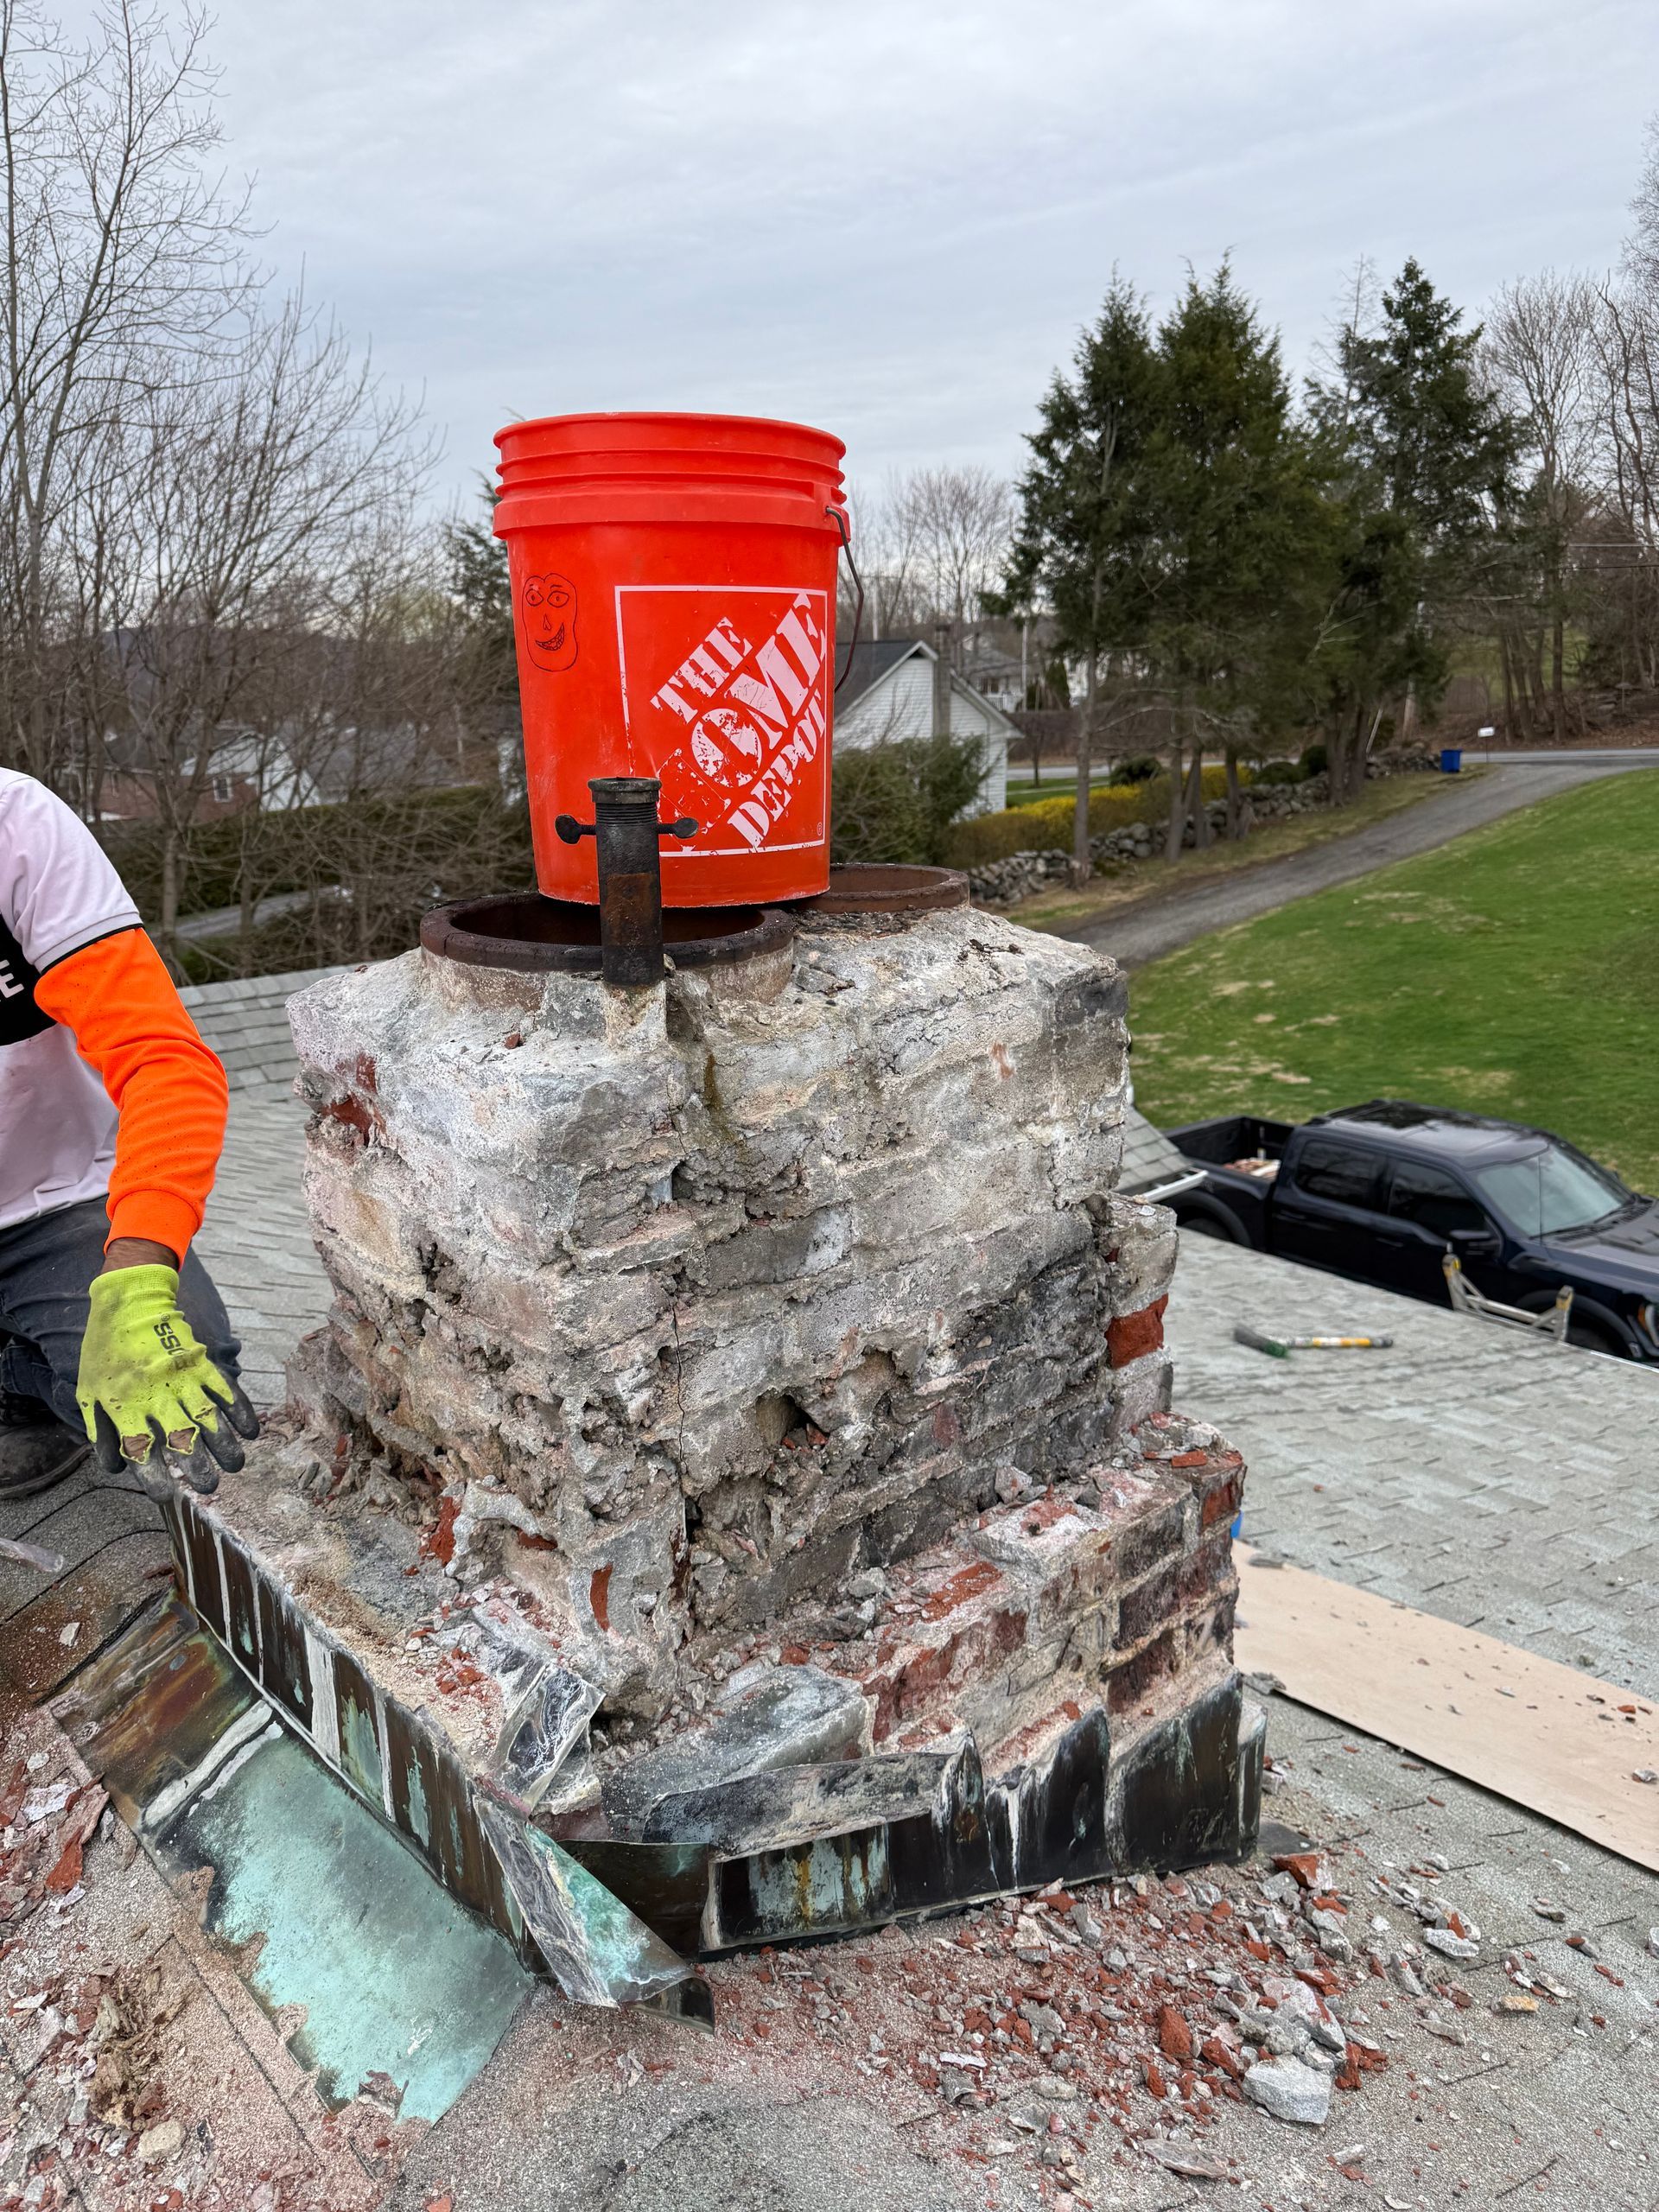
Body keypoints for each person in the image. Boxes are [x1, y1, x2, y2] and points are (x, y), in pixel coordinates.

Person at [0, 767, 257, 1502]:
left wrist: (141, 1275)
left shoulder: (14, 825)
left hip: (53, 1201)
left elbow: (163, 1062)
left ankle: (17, 1375)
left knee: (186, 1393)